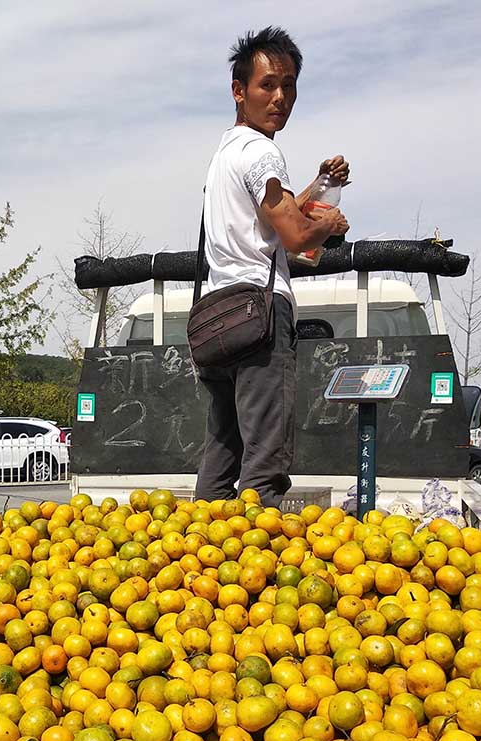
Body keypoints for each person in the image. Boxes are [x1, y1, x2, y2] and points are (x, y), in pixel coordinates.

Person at [194, 26, 350, 507]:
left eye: (289, 86)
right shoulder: (263, 152)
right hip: (260, 317)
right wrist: (330, 223)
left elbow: (272, 211)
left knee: (222, 448)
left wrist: (319, 185)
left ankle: (198, 556)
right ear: (239, 91)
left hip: (218, 319)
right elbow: (297, 237)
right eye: (268, 85)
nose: (280, 97)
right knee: (264, 459)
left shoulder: (226, 155)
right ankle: (258, 570)